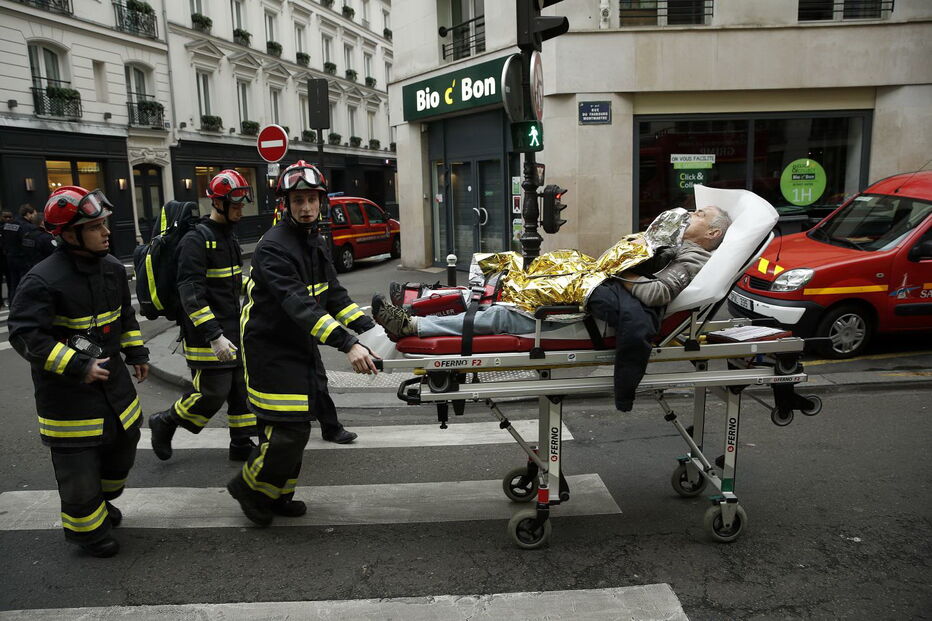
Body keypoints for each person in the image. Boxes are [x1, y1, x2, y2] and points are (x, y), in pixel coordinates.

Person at [373, 206, 732, 411]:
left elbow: (654, 294)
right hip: (595, 300)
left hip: (593, 319)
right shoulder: (675, 247)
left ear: (713, 234)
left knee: (504, 316)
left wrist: (613, 275)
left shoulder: (692, 259)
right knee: (509, 286)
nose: (691, 215)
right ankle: (417, 308)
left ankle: (412, 326)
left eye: (701, 214)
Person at [226, 161, 378, 526]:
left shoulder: (315, 241)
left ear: (321, 201)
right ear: (286, 203)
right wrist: (347, 344)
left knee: (295, 429)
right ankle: (249, 488)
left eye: (312, 199)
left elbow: (335, 296)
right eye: (299, 200)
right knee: (288, 429)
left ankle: (278, 496)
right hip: (270, 350)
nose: (306, 207)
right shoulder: (273, 248)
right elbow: (300, 305)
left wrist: (374, 333)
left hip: (297, 347)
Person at [8, 186, 150, 558]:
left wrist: (136, 351)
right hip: (68, 398)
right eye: (95, 226)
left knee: (124, 445)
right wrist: (76, 365)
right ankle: (88, 533)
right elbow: (26, 335)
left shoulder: (114, 268)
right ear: (69, 235)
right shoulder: (42, 280)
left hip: (113, 384)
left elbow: (124, 316)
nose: (106, 232)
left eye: (104, 223)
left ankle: (101, 503)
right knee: (79, 471)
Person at [148, 170, 258, 462]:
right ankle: (165, 421)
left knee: (239, 388)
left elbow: (232, 282)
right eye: (234, 205)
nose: (240, 209)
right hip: (206, 334)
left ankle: (242, 442)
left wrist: (260, 288)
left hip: (233, 328)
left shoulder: (229, 237)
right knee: (212, 393)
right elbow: (191, 293)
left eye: (241, 204)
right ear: (217, 203)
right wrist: (215, 336)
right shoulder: (196, 241)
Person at [1, 204, 40, 301]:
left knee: (13, 284)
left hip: (10, 258)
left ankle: (12, 305)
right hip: (23, 259)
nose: (35, 216)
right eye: (34, 214)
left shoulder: (7, 225)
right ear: (28, 214)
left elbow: (3, 242)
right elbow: (29, 244)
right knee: (25, 284)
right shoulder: (27, 227)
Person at [0, 210, 11, 308]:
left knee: (10, 280)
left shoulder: (10, 229)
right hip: (4, 258)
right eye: (5, 217)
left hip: (7, 258)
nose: (7, 219)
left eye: (9, 217)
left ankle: (9, 299)